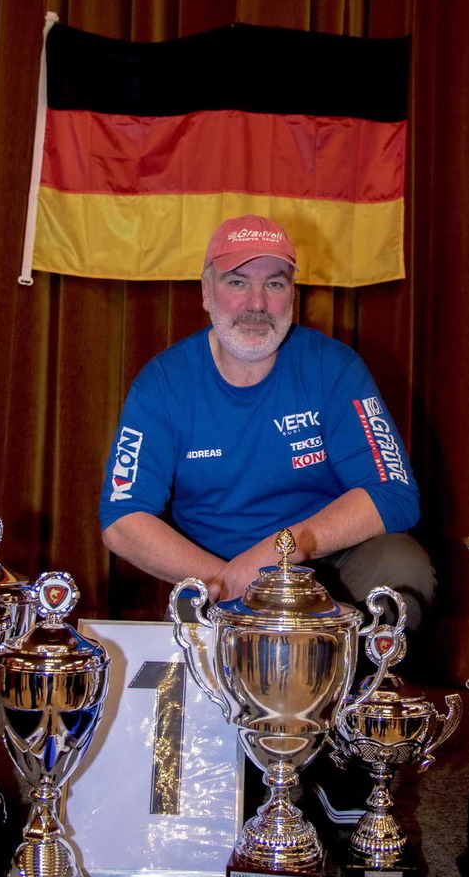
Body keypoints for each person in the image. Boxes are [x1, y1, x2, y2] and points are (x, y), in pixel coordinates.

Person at [100, 214, 434, 633]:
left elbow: (394, 494)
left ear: (292, 293)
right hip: (214, 574)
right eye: (237, 282)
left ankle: (356, 674)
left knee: (401, 565)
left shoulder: (334, 368)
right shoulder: (163, 382)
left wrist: (278, 555)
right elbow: (123, 519)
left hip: (322, 569)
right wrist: (231, 583)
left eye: (274, 284)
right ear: (206, 291)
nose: (257, 303)